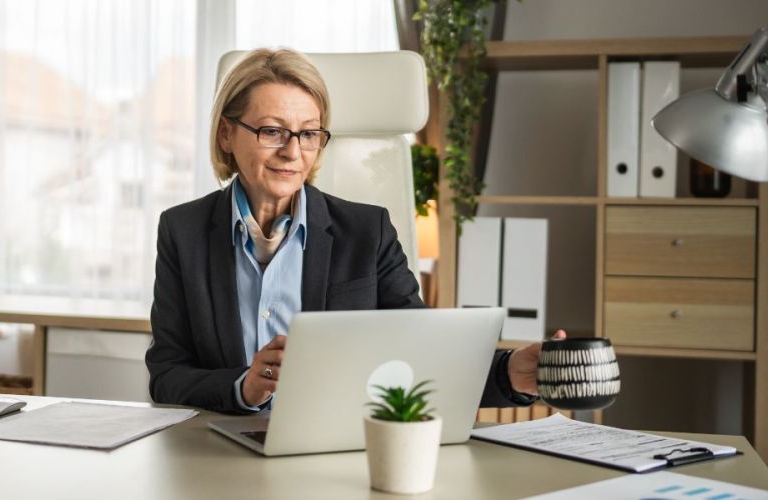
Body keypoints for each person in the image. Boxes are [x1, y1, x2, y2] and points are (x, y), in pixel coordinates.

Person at [145, 47, 565, 414]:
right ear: (225, 134)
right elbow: (166, 376)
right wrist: (244, 388)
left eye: (308, 133)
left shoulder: (369, 231)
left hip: (339, 452)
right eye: (272, 131)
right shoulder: (183, 231)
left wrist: (510, 373)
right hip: (221, 452)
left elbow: (422, 352)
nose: (293, 152)